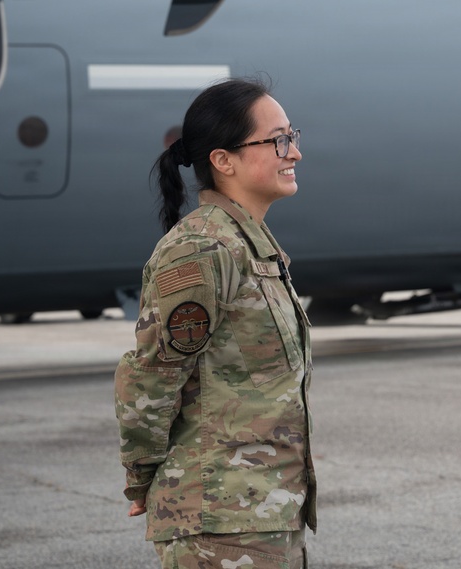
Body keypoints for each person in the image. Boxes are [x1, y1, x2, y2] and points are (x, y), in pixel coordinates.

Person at [114, 78, 314, 569]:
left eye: (293, 136)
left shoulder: (250, 244)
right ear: (223, 160)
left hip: (263, 512)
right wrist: (140, 474)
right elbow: (151, 376)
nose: (295, 153)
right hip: (221, 520)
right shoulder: (205, 248)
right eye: (278, 140)